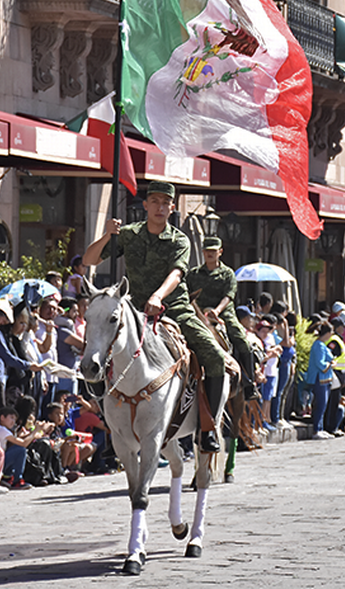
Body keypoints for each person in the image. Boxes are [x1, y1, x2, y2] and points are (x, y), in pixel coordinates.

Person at [82, 181, 228, 452]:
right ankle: (112, 416)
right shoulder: (129, 234)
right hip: (135, 311)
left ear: (172, 208)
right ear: (146, 205)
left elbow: (176, 273)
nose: (160, 207)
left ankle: (209, 427)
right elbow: (90, 260)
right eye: (155, 202)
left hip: (175, 308)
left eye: (165, 203)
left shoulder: (179, 239)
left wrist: (158, 296)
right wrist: (106, 235)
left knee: (215, 357)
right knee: (101, 346)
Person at [188, 236, 257, 399]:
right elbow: (187, 294)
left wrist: (217, 311)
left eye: (213, 251)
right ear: (202, 252)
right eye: (207, 251)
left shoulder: (228, 274)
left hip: (223, 312)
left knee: (241, 339)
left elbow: (229, 296)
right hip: (197, 311)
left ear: (220, 252)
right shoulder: (193, 274)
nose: (209, 254)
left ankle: (250, 384)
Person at [305, 322, 334, 440]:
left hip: (325, 379)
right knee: (320, 404)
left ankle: (320, 428)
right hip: (319, 378)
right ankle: (316, 429)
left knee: (324, 404)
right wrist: (330, 364)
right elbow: (320, 364)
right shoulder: (319, 345)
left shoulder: (322, 345)